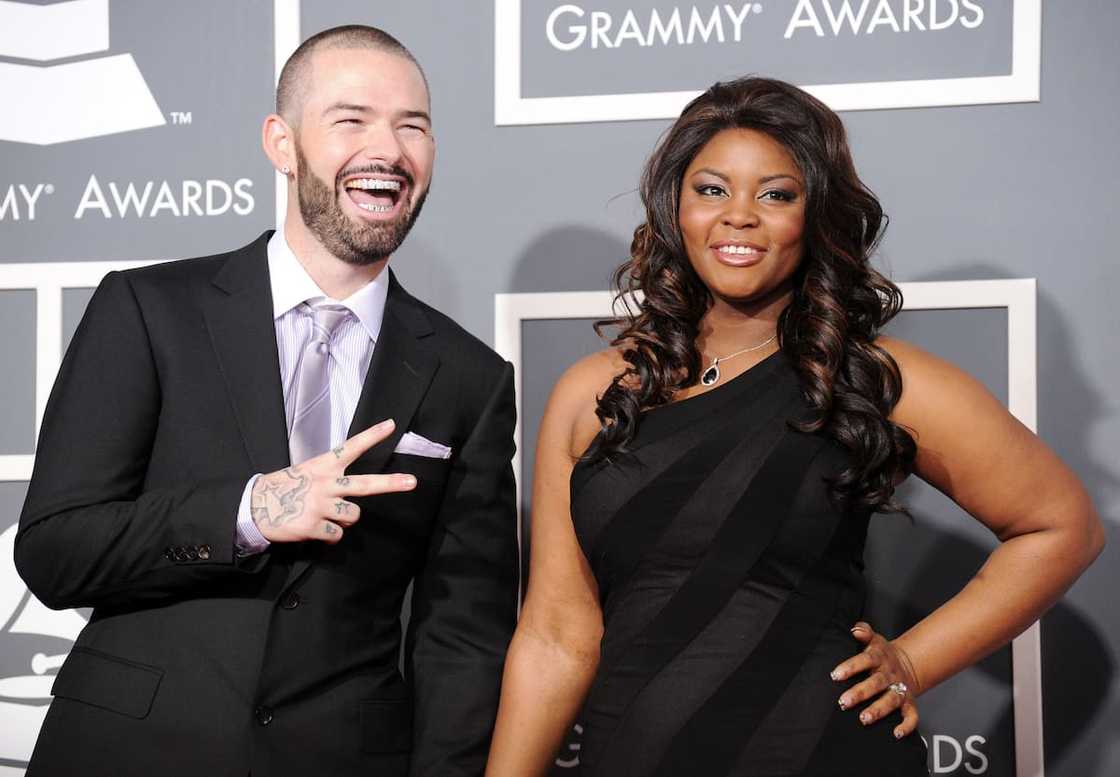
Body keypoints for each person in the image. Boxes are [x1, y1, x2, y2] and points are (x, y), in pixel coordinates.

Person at [484, 77, 1104, 777]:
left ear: (815, 215)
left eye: (776, 194)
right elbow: (556, 635)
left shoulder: (866, 376)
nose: (739, 216)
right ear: (674, 207)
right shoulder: (592, 392)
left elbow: (1062, 526)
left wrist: (912, 660)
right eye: (712, 189)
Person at [15, 25, 518, 777]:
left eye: (412, 125)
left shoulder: (469, 377)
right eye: (351, 119)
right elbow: (55, 550)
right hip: (127, 750)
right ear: (282, 143)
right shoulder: (149, 310)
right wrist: (248, 511)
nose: (389, 148)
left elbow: (464, 634)